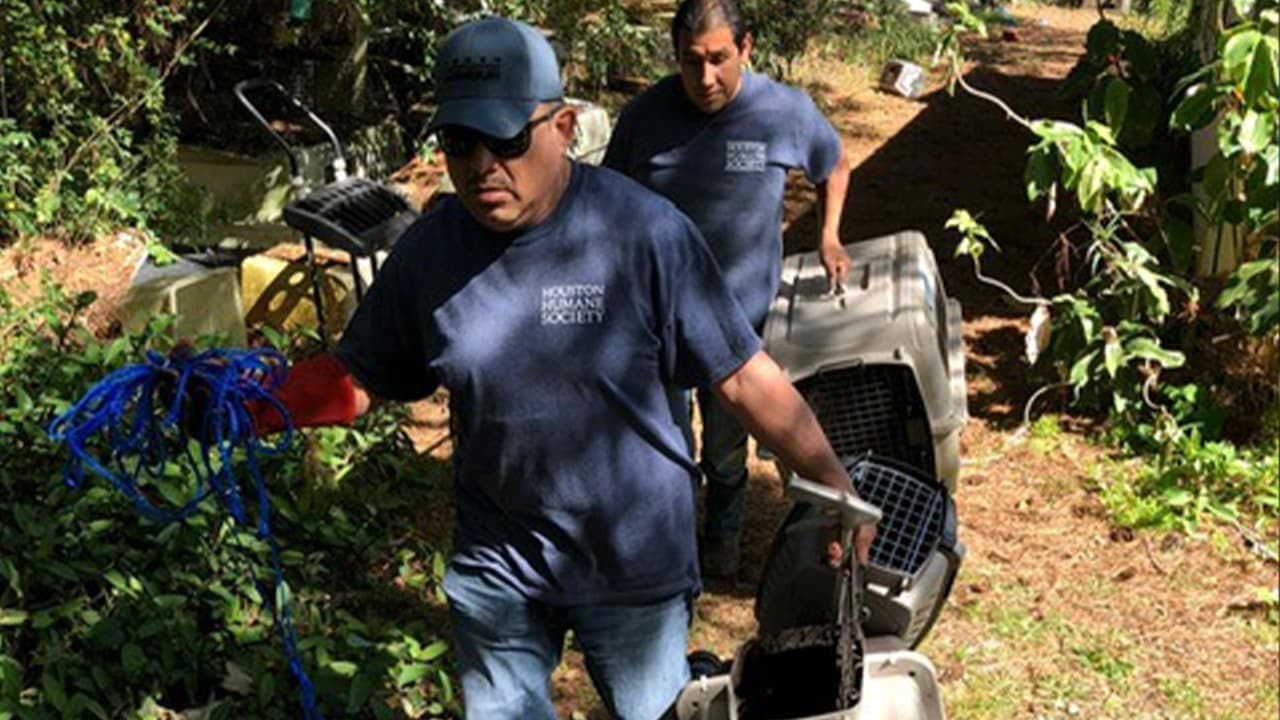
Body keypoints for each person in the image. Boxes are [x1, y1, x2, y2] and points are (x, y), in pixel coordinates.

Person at [231, 16, 873, 720]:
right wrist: (249, 406)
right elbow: (360, 379)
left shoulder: (645, 234)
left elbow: (742, 374)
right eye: (459, 142)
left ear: (563, 127)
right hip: (500, 568)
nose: (481, 165)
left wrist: (833, 484)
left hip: (633, 567)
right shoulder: (430, 253)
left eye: (507, 139)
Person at [602, 0, 856, 579]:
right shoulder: (646, 116)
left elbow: (833, 164)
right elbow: (608, 199)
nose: (706, 78)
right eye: (692, 63)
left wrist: (831, 235)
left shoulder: (783, 111)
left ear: (745, 48)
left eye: (719, 59)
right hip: (655, 317)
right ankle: (666, 543)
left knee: (725, 444)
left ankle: (722, 533)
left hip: (739, 320)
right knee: (662, 439)